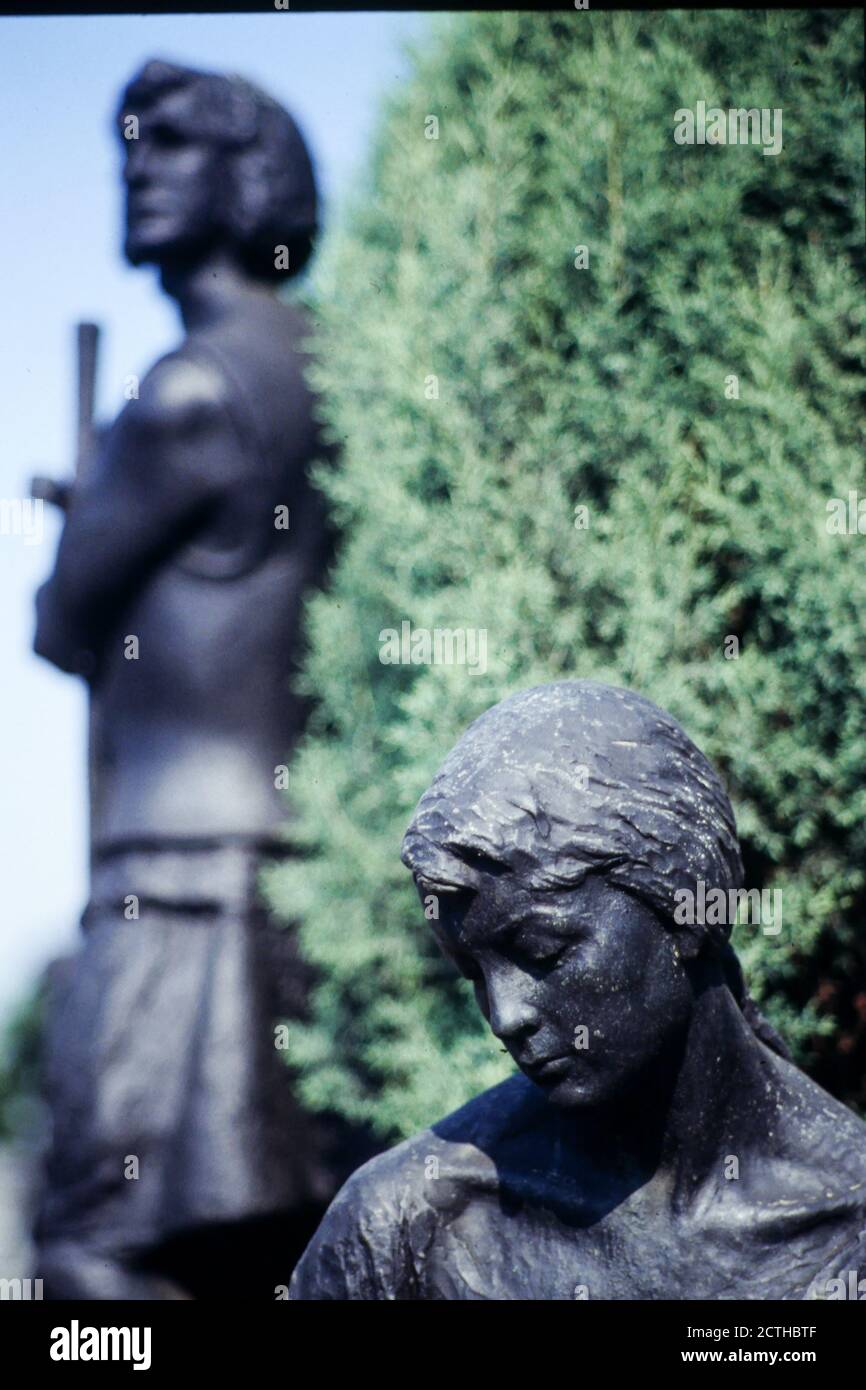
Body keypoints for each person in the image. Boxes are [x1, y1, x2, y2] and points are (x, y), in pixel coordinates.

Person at [32, 59, 373, 1299]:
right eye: (133, 145)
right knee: (281, 1245)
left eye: (174, 145)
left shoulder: (179, 394)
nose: (139, 169)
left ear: (252, 175)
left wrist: (85, 512)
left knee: (96, 1248)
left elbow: (62, 623)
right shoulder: (342, 375)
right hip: (304, 874)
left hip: (171, 885)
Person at [290, 680, 866, 1300]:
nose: (505, 1017)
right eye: (473, 974)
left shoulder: (847, 1236)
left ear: (689, 905)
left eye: (543, 951)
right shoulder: (402, 1232)